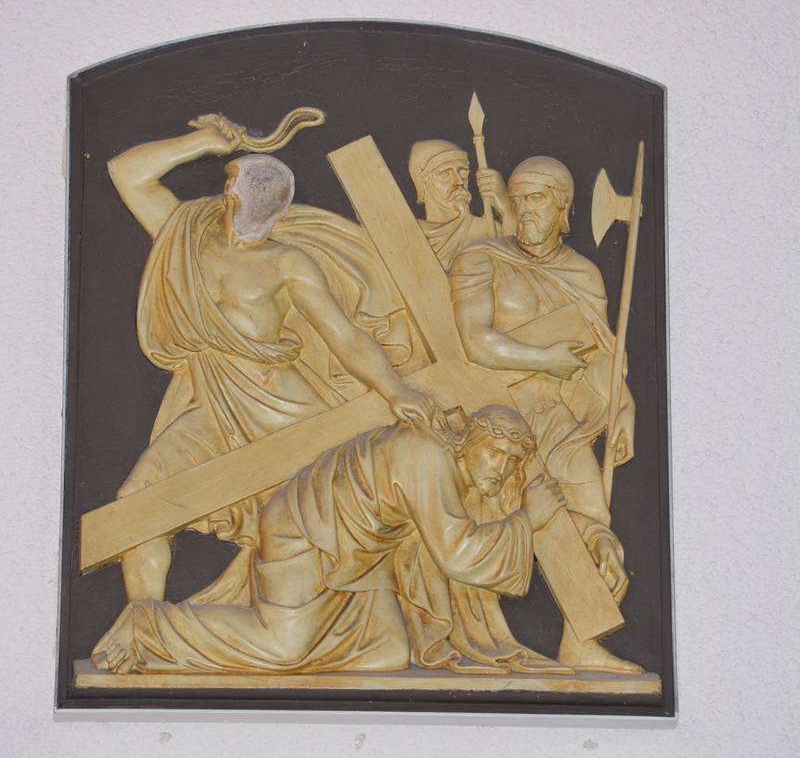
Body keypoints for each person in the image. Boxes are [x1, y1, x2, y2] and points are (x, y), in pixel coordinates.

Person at [108, 112, 435, 602]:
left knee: (347, 509)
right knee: (137, 505)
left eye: (276, 203)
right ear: (230, 194)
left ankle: (373, 612)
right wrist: (201, 143)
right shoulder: (186, 238)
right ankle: (145, 622)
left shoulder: (287, 262)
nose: (266, 209)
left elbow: (344, 336)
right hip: (211, 411)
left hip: (287, 411)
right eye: (256, 194)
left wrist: (395, 390)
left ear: (282, 213)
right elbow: (125, 172)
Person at [91, 406, 572, 677]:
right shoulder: (427, 455)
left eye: (513, 461)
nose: (501, 468)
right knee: (282, 648)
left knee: (388, 654)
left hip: (359, 555)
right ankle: (148, 626)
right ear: (468, 443)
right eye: (495, 453)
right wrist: (529, 519)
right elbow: (457, 553)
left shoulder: (441, 459)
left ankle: (304, 658)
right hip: (305, 532)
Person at [449, 156, 640, 673]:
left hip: (555, 414)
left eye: (536, 199)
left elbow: (601, 352)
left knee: (593, 515)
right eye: (516, 199)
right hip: (494, 418)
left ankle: (581, 641)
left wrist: (624, 405)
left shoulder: (583, 273)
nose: (524, 210)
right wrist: (543, 359)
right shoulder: (480, 258)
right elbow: (474, 341)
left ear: (563, 207)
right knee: (522, 517)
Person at [409, 139, 511, 267]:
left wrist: (507, 210)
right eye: (445, 173)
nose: (459, 181)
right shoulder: (408, 234)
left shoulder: (487, 228)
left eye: (462, 171)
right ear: (422, 181)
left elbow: (521, 272)